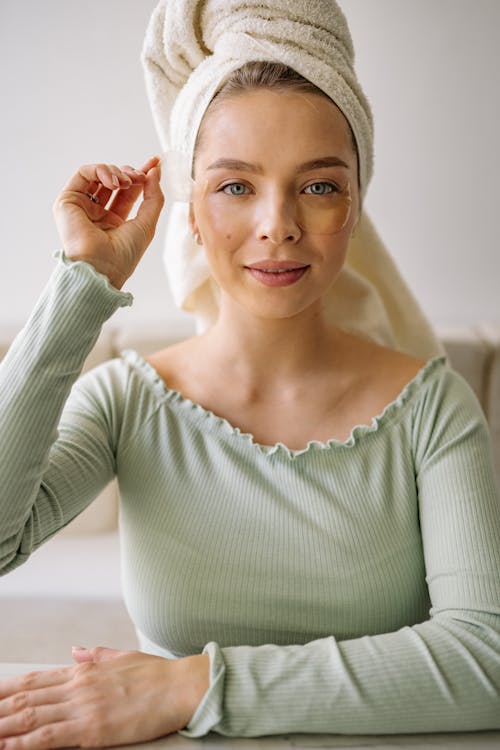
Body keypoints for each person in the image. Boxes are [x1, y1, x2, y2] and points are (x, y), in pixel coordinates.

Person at [0, 0, 499, 746]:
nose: (278, 224)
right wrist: (80, 285)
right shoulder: (127, 402)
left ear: (357, 206)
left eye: (320, 185)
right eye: (235, 186)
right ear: (190, 212)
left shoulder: (432, 407)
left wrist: (193, 683)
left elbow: (485, 660)